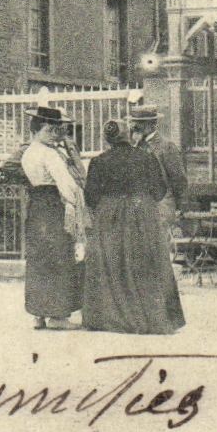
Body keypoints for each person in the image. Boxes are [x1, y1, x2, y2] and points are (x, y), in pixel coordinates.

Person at [82, 119, 185, 335]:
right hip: (141, 214)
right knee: (144, 262)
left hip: (109, 216)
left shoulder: (98, 161)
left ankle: (113, 316)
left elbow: (90, 196)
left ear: (107, 139)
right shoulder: (147, 157)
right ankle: (149, 317)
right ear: (129, 136)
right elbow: (159, 191)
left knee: (112, 263)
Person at [20, 106, 87, 330]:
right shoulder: (49, 154)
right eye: (49, 130)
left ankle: (38, 313)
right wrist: (73, 203)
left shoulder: (28, 152)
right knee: (58, 256)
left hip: (36, 206)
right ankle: (58, 316)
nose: (54, 135)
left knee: (39, 258)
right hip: (52, 206)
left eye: (57, 130)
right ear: (37, 130)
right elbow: (67, 184)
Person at [128, 104, 187, 232]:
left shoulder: (166, 147)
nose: (134, 127)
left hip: (161, 208)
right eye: (133, 123)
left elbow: (179, 180)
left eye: (140, 123)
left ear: (151, 124)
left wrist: (179, 208)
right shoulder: (134, 147)